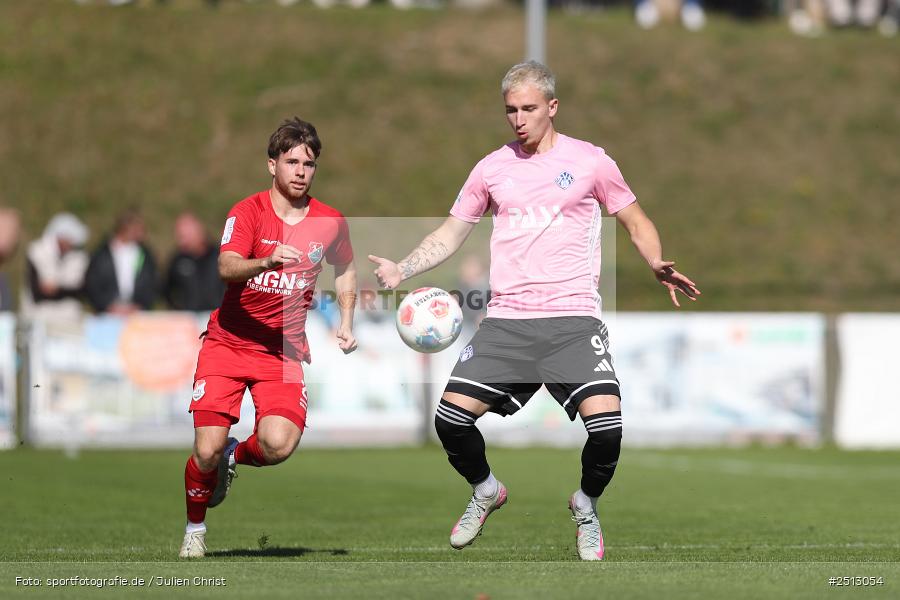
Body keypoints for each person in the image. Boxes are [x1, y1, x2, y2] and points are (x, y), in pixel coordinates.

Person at [369, 61, 699, 561]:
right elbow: (451, 232)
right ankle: (485, 490)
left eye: (528, 109)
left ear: (552, 107)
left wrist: (655, 260)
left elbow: (635, 218)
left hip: (573, 320)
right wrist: (404, 268)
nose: (518, 119)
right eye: (510, 110)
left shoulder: (590, 161)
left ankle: (585, 506)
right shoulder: (491, 168)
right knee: (450, 421)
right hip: (508, 322)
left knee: (608, 431)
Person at [179, 117, 358, 559]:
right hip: (228, 343)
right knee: (205, 449)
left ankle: (233, 459)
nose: (300, 170)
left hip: (282, 352)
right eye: (291, 161)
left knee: (279, 444)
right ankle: (195, 530)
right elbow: (225, 266)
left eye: (309, 163)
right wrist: (265, 262)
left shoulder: (330, 222)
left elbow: (347, 267)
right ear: (271, 164)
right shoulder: (247, 212)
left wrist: (347, 320)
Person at [84, 209, 158, 315]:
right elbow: (92, 284)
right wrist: (107, 306)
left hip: (136, 313)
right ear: (125, 228)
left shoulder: (145, 254)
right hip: (107, 314)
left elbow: (152, 283)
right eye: (138, 228)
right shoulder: (102, 254)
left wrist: (140, 306)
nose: (143, 233)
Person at [23, 213, 90, 320]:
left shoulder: (79, 257)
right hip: (39, 315)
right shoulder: (36, 252)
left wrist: (58, 288)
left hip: (69, 317)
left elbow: (82, 289)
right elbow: (36, 290)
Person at [164, 212, 225, 312]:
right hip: (189, 321)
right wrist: (177, 310)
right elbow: (166, 290)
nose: (181, 242)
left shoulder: (220, 255)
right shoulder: (177, 260)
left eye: (184, 237)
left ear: (198, 233)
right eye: (179, 237)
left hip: (219, 318)